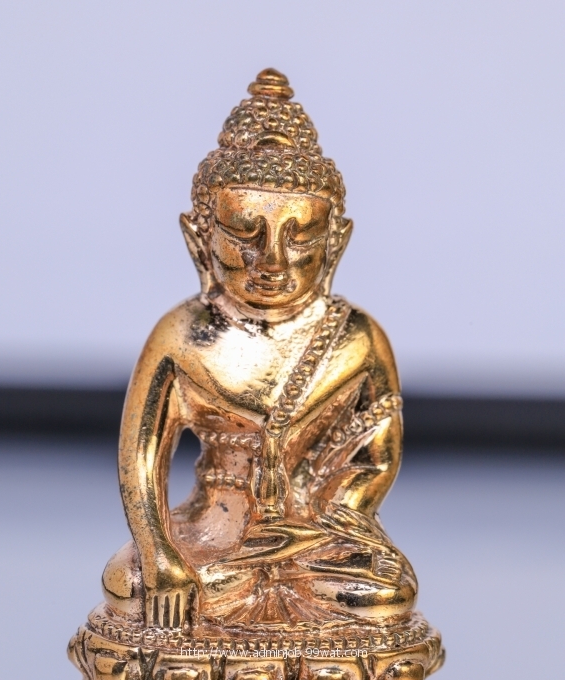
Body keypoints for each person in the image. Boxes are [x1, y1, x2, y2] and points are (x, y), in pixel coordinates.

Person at [102, 69, 417, 634]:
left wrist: (323, 524)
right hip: (211, 534)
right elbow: (141, 459)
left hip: (315, 538)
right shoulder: (181, 336)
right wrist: (160, 553)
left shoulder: (356, 338)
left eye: (301, 238)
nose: (271, 261)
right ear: (199, 238)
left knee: (385, 593)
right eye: (244, 234)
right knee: (130, 584)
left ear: (336, 243)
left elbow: (376, 458)